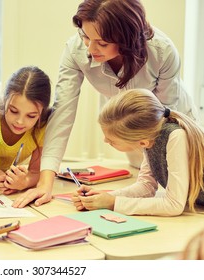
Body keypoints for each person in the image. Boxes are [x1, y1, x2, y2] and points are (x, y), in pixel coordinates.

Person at [12, 0, 199, 208]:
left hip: (171, 123)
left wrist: (113, 202)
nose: (91, 49)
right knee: (147, 181)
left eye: (102, 43)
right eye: (85, 36)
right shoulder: (76, 51)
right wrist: (45, 183)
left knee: (186, 193)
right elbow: (62, 114)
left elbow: (162, 120)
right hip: (135, 132)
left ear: (126, 39)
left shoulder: (162, 51)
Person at [72, 88, 204, 216]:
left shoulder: (176, 137)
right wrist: (102, 198)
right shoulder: (151, 135)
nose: (105, 140)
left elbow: (174, 205)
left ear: (142, 142)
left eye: (112, 140)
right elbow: (146, 186)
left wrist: (113, 203)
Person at [0, 66, 52, 194]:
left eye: (31, 116)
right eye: (13, 111)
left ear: (42, 112)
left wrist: (24, 182)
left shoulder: (43, 127)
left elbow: (36, 172)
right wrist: (3, 180)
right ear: (5, 100)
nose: (20, 121)